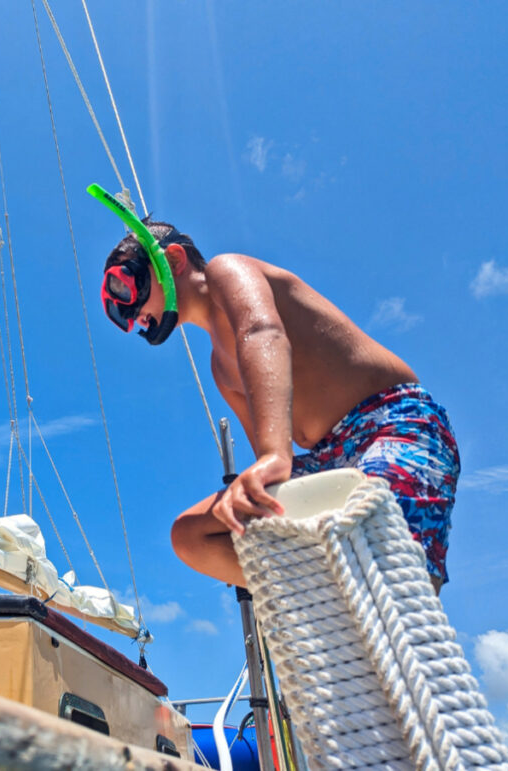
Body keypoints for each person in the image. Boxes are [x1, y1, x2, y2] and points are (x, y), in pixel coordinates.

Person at [99, 218, 459, 594]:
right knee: (193, 535)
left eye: (125, 287)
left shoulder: (227, 270)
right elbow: (272, 472)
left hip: (392, 424)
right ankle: (321, 595)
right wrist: (269, 473)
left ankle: (383, 600)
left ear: (173, 261)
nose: (128, 315)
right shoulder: (221, 370)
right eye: (114, 312)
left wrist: (274, 455)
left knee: (386, 558)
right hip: (326, 457)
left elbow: (262, 332)